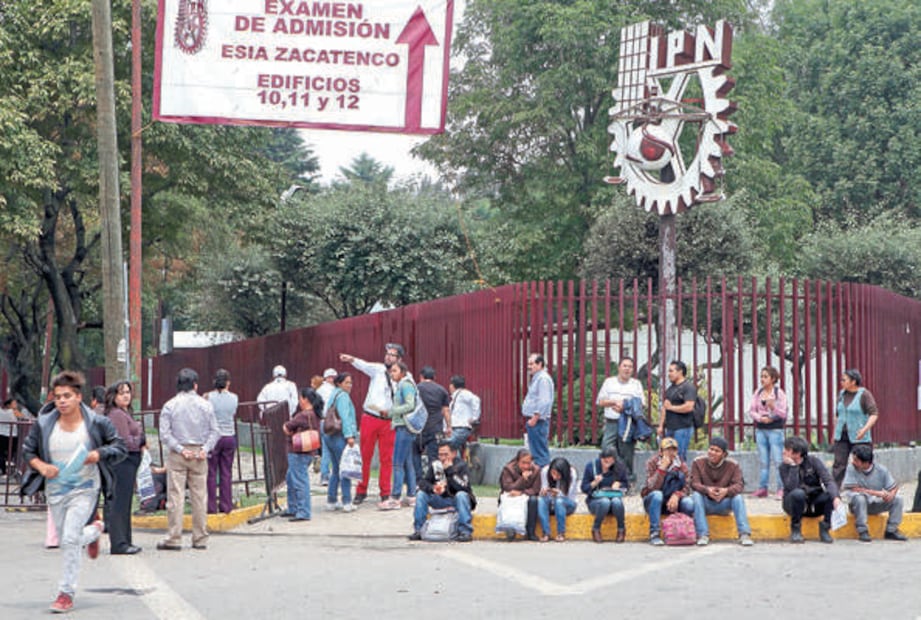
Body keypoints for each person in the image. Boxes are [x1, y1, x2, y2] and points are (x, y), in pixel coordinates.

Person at [20, 370, 127, 613]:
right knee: (66, 540)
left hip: (86, 488)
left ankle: (65, 593)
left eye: (67, 396)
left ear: (79, 397)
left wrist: (97, 454)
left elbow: (119, 446)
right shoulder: (45, 423)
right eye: (58, 397)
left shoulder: (96, 422)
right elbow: (28, 452)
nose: (62, 401)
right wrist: (42, 466)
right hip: (56, 490)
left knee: (69, 539)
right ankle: (95, 529)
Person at [157, 368, 220, 551]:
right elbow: (215, 431)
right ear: (195, 385)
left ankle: (174, 537)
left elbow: (164, 434)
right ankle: (200, 538)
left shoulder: (170, 405)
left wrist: (180, 449)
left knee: (175, 497)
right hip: (199, 453)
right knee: (199, 497)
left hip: (178, 453)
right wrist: (205, 449)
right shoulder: (206, 405)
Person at [339, 343, 405, 507]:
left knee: (386, 458)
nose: (388, 357)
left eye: (392, 355)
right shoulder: (378, 370)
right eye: (387, 354)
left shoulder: (402, 378)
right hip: (370, 417)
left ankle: (385, 492)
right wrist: (351, 359)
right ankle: (361, 490)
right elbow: (364, 365)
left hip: (388, 421)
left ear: (399, 359)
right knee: (365, 456)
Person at [103, 381, 145, 555]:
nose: (126, 396)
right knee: (120, 503)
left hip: (129, 461)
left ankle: (125, 541)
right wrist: (140, 438)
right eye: (121, 393)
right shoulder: (117, 415)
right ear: (114, 396)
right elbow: (125, 441)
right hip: (122, 462)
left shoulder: (124, 412)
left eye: (128, 392)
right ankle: (119, 543)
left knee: (125, 502)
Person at [689, 436, 753, 546]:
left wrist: (726, 491)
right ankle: (703, 534)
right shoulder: (698, 462)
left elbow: (739, 485)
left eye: (717, 451)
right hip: (706, 503)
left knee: (738, 498)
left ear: (724, 454)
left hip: (724, 503)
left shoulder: (733, 465)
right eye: (711, 449)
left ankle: (744, 534)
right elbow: (694, 483)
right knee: (696, 495)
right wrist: (707, 490)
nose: (712, 453)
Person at [409, 439, 476, 542]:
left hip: (456, 500)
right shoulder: (436, 465)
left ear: (453, 453)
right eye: (440, 455)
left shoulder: (461, 466)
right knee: (421, 494)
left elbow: (463, 487)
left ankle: (465, 532)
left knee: (461, 495)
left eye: (446, 454)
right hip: (441, 498)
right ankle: (419, 530)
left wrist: (450, 471)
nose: (443, 458)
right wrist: (433, 488)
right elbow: (424, 482)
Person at [779, 435, 841, 543]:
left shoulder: (813, 461)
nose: (784, 452)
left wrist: (836, 497)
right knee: (798, 494)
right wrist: (793, 467)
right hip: (794, 504)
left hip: (813, 502)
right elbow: (791, 487)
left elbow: (828, 480)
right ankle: (796, 529)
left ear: (797, 454)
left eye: (787, 450)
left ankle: (825, 527)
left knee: (829, 495)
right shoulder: (784, 467)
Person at [842, 443, 907, 542]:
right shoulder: (851, 468)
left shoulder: (881, 470)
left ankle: (891, 530)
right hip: (857, 505)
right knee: (860, 498)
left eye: (856, 460)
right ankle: (863, 530)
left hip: (875, 503)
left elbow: (893, 487)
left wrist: (891, 494)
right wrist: (878, 493)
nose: (853, 462)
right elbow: (854, 488)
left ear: (866, 463)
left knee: (898, 499)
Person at [596, 357, 645, 482]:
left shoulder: (636, 384)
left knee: (627, 452)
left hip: (628, 422)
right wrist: (613, 402)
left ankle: (628, 480)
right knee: (606, 448)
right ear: (619, 367)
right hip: (612, 421)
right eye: (625, 366)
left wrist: (624, 406)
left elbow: (641, 404)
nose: (627, 369)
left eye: (630, 366)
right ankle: (612, 476)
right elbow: (600, 401)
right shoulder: (609, 382)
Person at [640, 436, 694, 546]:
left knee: (689, 503)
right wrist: (662, 469)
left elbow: (688, 487)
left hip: (673, 502)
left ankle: (681, 532)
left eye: (673, 450)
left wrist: (677, 495)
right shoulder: (652, 463)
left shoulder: (681, 465)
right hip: (655, 502)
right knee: (657, 495)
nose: (671, 453)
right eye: (668, 450)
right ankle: (654, 533)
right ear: (661, 451)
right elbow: (651, 487)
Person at [832, 369, 878, 488]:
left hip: (859, 436)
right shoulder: (841, 394)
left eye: (844, 380)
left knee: (861, 463)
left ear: (853, 381)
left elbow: (874, 414)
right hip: (842, 434)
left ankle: (865, 489)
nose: (841, 382)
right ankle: (834, 492)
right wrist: (834, 433)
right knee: (838, 464)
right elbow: (837, 414)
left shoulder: (864, 394)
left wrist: (864, 429)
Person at [282, 388, 323, 522]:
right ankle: (293, 507)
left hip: (297, 452)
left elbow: (287, 427)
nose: (299, 401)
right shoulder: (315, 414)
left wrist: (288, 430)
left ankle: (303, 511)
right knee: (291, 478)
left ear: (305, 399)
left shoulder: (303, 415)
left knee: (299, 481)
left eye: (300, 398)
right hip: (309, 451)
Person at [748, 366, 788, 499]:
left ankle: (781, 488)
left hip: (775, 429)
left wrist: (773, 408)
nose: (762, 379)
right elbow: (752, 410)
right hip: (761, 429)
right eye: (761, 376)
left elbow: (783, 413)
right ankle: (762, 488)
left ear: (773, 379)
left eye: (765, 377)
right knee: (763, 461)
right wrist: (760, 418)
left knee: (778, 460)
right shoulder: (758, 392)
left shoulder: (779, 393)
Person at [323, 373, 358, 512]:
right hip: (339, 436)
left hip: (329, 435)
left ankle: (331, 500)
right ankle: (347, 501)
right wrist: (349, 436)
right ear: (339, 383)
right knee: (345, 469)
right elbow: (345, 417)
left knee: (336, 469)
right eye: (346, 383)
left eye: (350, 382)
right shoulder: (343, 396)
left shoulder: (334, 394)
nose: (349, 385)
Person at [205, 369, 238, 515]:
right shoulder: (234, 398)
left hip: (214, 437)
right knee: (226, 472)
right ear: (228, 383)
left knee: (211, 472)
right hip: (229, 436)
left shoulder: (208, 397)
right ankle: (226, 505)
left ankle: (211, 506)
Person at [582, 447, 629, 543]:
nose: (606, 464)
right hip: (596, 501)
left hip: (613, 498)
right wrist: (594, 483)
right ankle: (596, 529)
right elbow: (584, 488)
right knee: (605, 502)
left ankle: (621, 529)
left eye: (609, 462)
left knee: (617, 502)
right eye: (604, 461)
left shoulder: (619, 467)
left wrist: (619, 484)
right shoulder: (591, 466)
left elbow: (626, 485)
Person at [388, 361, 417, 509]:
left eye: (394, 371)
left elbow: (410, 404)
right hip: (403, 426)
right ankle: (412, 495)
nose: (391, 373)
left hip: (404, 426)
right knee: (407, 463)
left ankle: (395, 497)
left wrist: (393, 411)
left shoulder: (405, 385)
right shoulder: (402, 385)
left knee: (397, 463)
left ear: (403, 372)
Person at [498, 448, 541, 541]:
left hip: (525, 496)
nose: (526, 466)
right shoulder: (508, 469)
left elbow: (536, 489)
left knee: (533, 500)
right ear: (517, 461)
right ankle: (510, 530)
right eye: (523, 463)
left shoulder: (536, 470)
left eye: (528, 463)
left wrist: (522, 493)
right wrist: (522, 479)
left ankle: (531, 532)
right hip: (511, 496)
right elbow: (507, 487)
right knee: (509, 500)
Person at [416, 366, 451, 480]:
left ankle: (418, 481)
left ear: (421, 377)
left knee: (415, 454)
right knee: (436, 457)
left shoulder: (417, 388)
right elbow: (446, 410)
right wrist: (449, 427)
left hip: (419, 428)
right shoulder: (442, 390)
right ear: (434, 377)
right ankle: (438, 481)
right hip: (437, 428)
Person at [657, 360, 696, 462]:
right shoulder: (670, 389)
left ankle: (681, 477)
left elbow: (689, 406)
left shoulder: (688, 387)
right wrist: (661, 426)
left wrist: (672, 408)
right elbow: (665, 407)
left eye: (671, 371)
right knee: (667, 456)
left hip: (683, 428)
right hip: (670, 428)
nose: (669, 374)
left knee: (679, 456)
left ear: (680, 372)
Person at [522, 353, 554, 467]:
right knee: (536, 451)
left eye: (531, 364)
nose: (529, 366)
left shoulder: (543, 379)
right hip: (536, 420)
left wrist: (535, 417)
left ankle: (543, 478)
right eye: (528, 363)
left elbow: (544, 400)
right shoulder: (538, 378)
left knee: (539, 453)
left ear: (540, 364)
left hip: (538, 421)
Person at [536, 456, 578, 542]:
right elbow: (543, 488)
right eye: (553, 473)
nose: (554, 477)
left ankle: (561, 533)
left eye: (558, 475)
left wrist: (559, 493)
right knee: (541, 500)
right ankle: (546, 533)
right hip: (551, 502)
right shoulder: (545, 471)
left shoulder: (572, 474)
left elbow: (569, 494)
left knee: (559, 501)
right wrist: (544, 491)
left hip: (568, 503)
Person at [446, 375, 481, 457]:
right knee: (451, 449)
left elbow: (476, 400)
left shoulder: (463, 394)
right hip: (455, 428)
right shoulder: (455, 398)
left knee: (448, 446)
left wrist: (474, 418)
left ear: (452, 385)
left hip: (462, 428)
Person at [316, 368, 337, 486]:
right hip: (332, 421)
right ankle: (331, 475)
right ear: (328, 378)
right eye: (332, 377)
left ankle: (325, 475)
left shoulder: (319, 390)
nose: (333, 379)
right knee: (334, 449)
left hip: (322, 421)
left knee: (325, 448)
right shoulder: (333, 391)